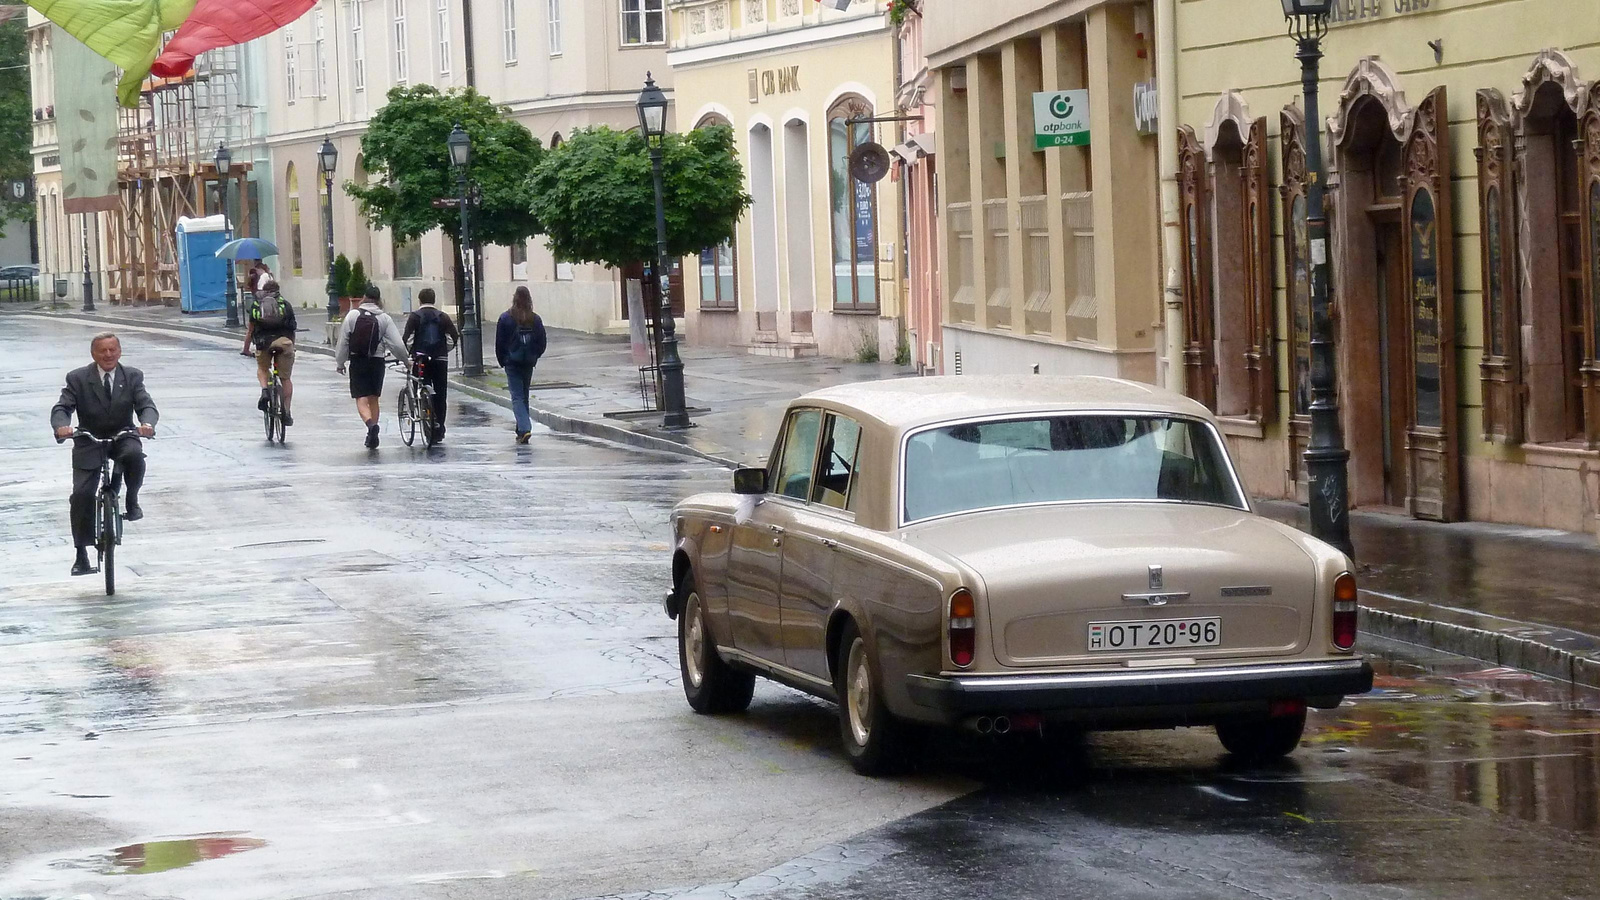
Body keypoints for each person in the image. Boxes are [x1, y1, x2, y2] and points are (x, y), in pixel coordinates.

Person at [50, 332, 159, 576]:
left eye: (113, 350)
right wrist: (61, 426)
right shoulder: (77, 378)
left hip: (123, 435)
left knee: (134, 457)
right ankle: (81, 554)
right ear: (94, 354)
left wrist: (147, 424)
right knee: (81, 494)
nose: (108, 355)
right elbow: (63, 407)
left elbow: (145, 404)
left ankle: (131, 500)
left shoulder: (132, 376)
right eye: (103, 351)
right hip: (89, 439)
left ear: (119, 352)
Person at [334, 285, 409, 449]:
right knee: (374, 398)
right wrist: (406, 361)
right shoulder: (384, 318)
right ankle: (373, 433)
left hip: (357, 361)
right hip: (377, 361)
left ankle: (370, 426)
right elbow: (397, 344)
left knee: (361, 398)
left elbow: (343, 342)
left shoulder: (352, 315)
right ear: (379, 300)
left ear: (364, 297)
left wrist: (340, 362)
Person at [401, 287, 459, 443]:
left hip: (420, 359)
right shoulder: (443, 317)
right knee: (440, 394)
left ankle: (424, 416)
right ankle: (439, 426)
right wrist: (444, 350)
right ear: (434, 300)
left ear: (419, 300)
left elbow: (407, 339)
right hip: (440, 359)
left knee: (420, 387)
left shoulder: (414, 317)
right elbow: (453, 337)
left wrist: (410, 354)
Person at [240, 278, 298, 426]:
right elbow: (292, 329)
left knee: (262, 369)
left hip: (263, 343)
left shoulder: (256, 305)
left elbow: (250, 330)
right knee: (286, 378)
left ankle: (265, 390)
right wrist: (292, 346)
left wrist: (246, 349)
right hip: (284, 343)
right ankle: (286, 411)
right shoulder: (285, 305)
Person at [495, 286, 548, 444]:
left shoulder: (506, 317)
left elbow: (500, 342)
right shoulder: (534, 319)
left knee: (517, 396)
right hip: (528, 362)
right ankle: (521, 430)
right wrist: (535, 355)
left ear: (514, 298)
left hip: (512, 362)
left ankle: (524, 428)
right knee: (524, 395)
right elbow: (542, 342)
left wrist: (503, 360)